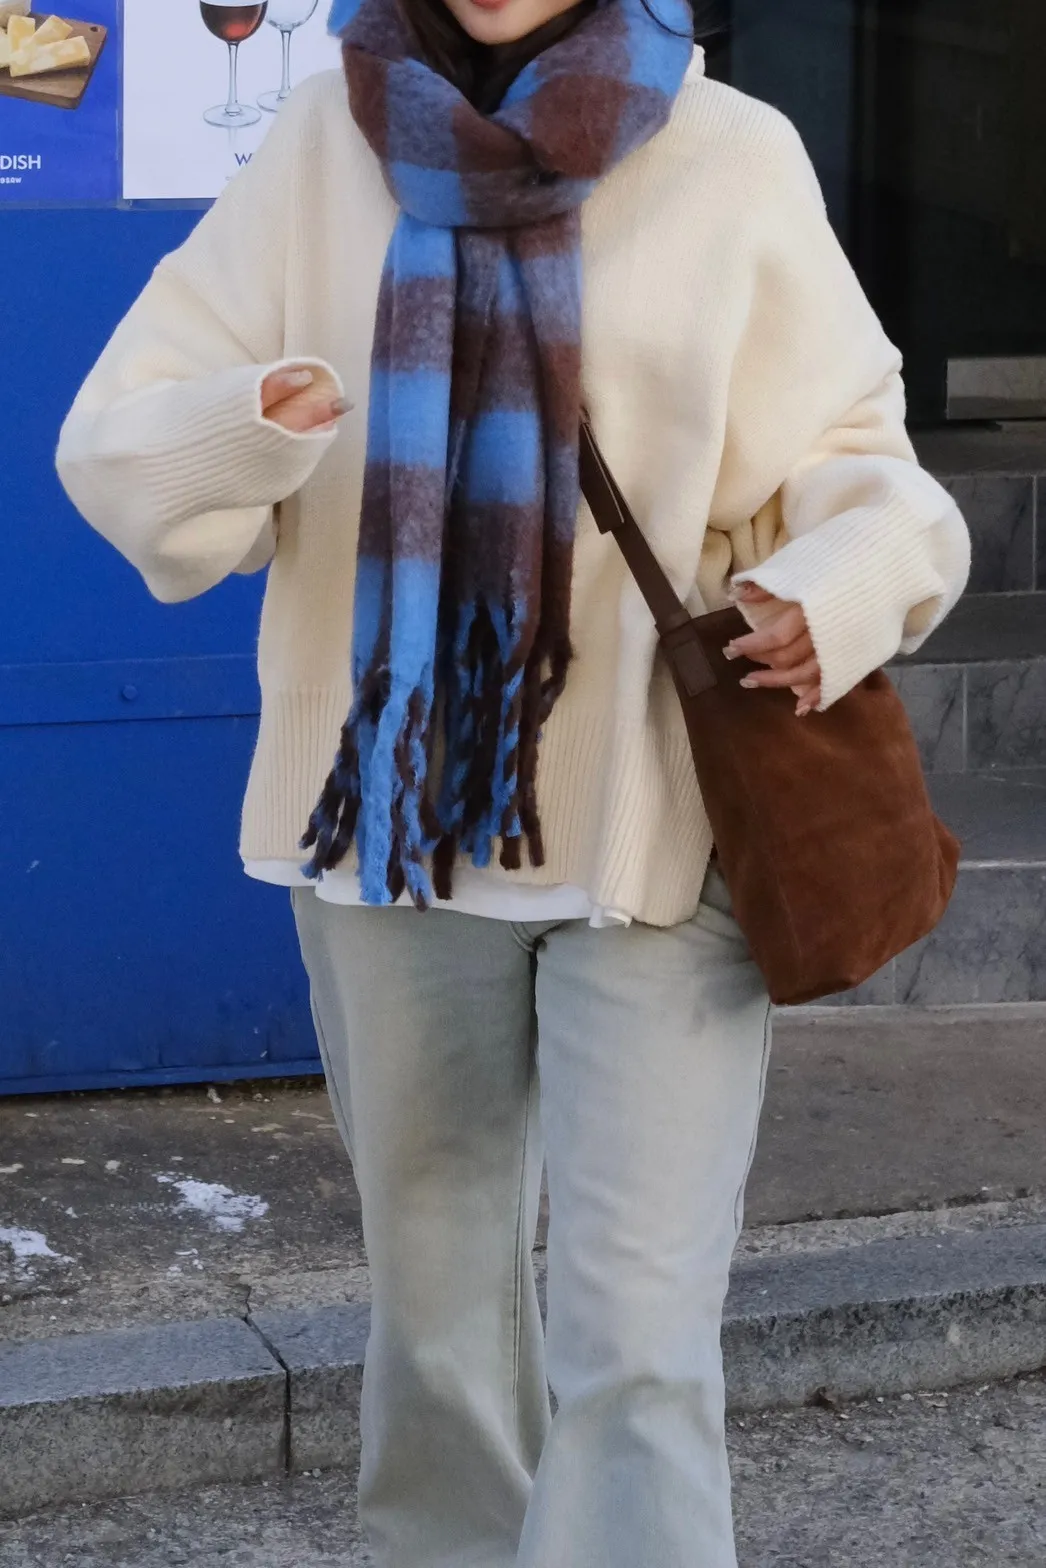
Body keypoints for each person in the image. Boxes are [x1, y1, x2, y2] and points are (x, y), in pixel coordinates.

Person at [56, 0, 970, 1559]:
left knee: (637, 1340)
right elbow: (117, 443)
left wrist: (830, 587)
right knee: (438, 1324)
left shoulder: (729, 153)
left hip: (658, 816)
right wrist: (250, 426)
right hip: (392, 818)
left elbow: (859, 461)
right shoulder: (320, 146)